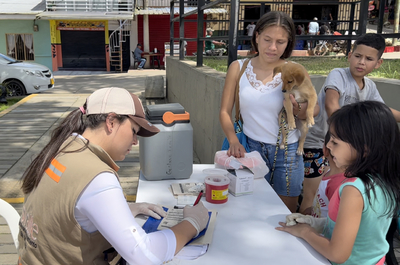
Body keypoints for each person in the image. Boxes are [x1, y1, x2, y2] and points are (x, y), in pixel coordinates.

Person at [18, 87, 209, 264]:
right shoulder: (97, 176)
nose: (135, 141)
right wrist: (192, 224)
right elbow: (143, 255)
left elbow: (65, 208)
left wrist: (123, 209)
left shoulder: (65, 146)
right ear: (111, 122)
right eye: (133, 131)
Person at [219, 11, 319, 213]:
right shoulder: (238, 68)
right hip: (250, 148)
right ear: (256, 36)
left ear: (288, 42)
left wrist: (299, 110)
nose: (273, 47)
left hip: (288, 152)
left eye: (280, 42)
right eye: (267, 39)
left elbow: (313, 107)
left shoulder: (294, 69)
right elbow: (224, 111)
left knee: (284, 213)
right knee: (249, 208)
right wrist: (233, 140)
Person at [277, 101, 400, 265]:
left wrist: (306, 232)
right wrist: (314, 223)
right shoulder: (385, 180)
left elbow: (337, 253)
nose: (327, 145)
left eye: (335, 142)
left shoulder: (353, 190)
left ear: (364, 149)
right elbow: (359, 231)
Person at [298, 33, 400, 213]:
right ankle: (304, 226)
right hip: (317, 145)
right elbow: (331, 105)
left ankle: (326, 231)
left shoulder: (369, 87)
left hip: (341, 150)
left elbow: (382, 112)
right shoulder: (338, 75)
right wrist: (348, 136)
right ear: (349, 56)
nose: (361, 62)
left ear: (378, 63)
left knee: (332, 196)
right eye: (358, 56)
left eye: (368, 59)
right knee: (312, 196)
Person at [303, 131, 345, 217]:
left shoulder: (336, 184)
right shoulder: (328, 173)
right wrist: (313, 209)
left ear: (324, 150)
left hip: (321, 230)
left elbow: (336, 220)